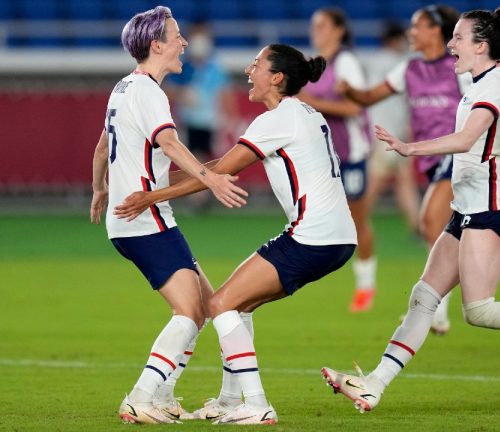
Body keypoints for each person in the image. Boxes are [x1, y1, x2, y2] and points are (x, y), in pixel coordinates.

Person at [320, 8, 500, 413]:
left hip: (489, 208)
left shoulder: (491, 85)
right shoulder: (487, 78)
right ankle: (374, 385)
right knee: (423, 297)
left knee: (479, 310)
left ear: (481, 46)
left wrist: (409, 147)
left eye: (458, 38)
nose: (451, 45)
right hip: (468, 206)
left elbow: (469, 137)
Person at [115, 43, 357, 424]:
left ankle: (257, 404)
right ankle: (230, 401)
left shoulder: (276, 120)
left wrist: (151, 195)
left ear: (276, 77)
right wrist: (155, 181)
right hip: (336, 236)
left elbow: (217, 173)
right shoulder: (303, 113)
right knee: (239, 304)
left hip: (313, 236)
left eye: (257, 64)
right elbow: (212, 169)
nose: (249, 69)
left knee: (218, 305)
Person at [339, 4, 500, 334]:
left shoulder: (464, 73)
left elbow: (496, 104)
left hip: (453, 154)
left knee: (430, 220)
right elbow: (367, 97)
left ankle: (437, 311)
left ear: (435, 32)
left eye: (417, 26)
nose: (411, 32)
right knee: (463, 239)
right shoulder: (410, 69)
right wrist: (346, 91)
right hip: (434, 158)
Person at [88, 6, 247, 424]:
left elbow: (103, 147)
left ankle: (163, 395)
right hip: (146, 220)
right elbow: (172, 145)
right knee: (190, 310)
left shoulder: (122, 88)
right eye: (177, 35)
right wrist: (210, 179)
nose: (185, 42)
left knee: (207, 304)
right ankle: (142, 397)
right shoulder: (149, 92)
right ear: (156, 44)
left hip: (134, 219)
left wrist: (99, 187)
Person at [298, 8, 376, 312]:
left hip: (350, 152)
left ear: (339, 30)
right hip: (324, 154)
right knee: (312, 214)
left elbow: (355, 108)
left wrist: (311, 102)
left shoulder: (345, 62)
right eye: (313, 24)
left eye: (322, 25)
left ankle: (366, 284)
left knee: (356, 220)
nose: (315, 30)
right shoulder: (314, 64)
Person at [165, 20, 239, 211]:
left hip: (210, 122)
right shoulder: (182, 66)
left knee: (205, 160)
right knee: (192, 159)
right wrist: (183, 94)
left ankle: (201, 196)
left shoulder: (215, 68)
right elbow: (167, 89)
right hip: (187, 121)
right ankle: (198, 197)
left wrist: (231, 119)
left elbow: (226, 93)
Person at [363, 21, 421, 234]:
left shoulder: (372, 63)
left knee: (403, 179)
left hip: (382, 129)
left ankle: (417, 224)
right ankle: (356, 222)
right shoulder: (404, 63)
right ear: (394, 40)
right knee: (378, 181)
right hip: (391, 131)